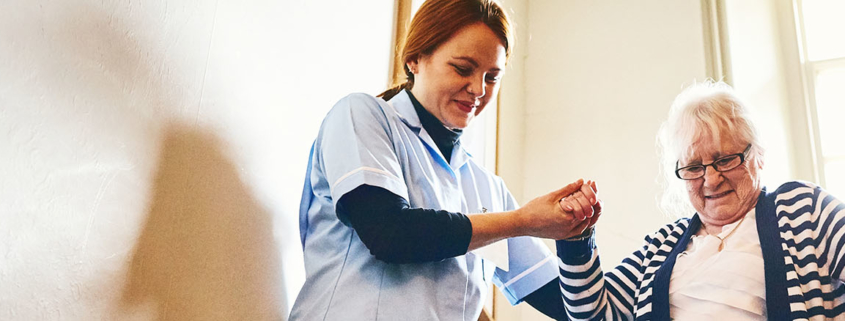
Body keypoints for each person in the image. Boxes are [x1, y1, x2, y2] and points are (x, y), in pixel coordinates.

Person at [289, 0, 599, 320]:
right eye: (463, 69)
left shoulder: (486, 187)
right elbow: (389, 233)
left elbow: (568, 303)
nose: (478, 89)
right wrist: (523, 221)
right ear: (414, 59)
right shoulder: (360, 115)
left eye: (492, 77)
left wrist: (575, 231)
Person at [556, 81, 845, 320]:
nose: (711, 179)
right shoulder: (662, 244)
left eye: (725, 160)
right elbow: (593, 314)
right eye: (694, 167)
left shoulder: (801, 209)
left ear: (757, 155)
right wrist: (576, 240)